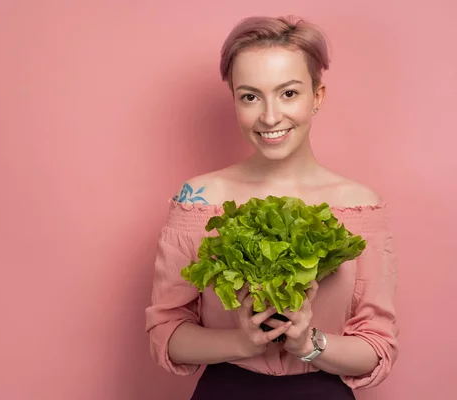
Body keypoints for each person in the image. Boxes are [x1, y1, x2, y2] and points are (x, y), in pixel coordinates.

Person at [145, 15, 399, 399]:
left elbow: (377, 346)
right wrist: (242, 342)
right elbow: (167, 331)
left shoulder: (359, 205)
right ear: (234, 100)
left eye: (289, 93)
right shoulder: (198, 199)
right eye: (250, 96)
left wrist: (309, 344)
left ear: (318, 97)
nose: (269, 116)